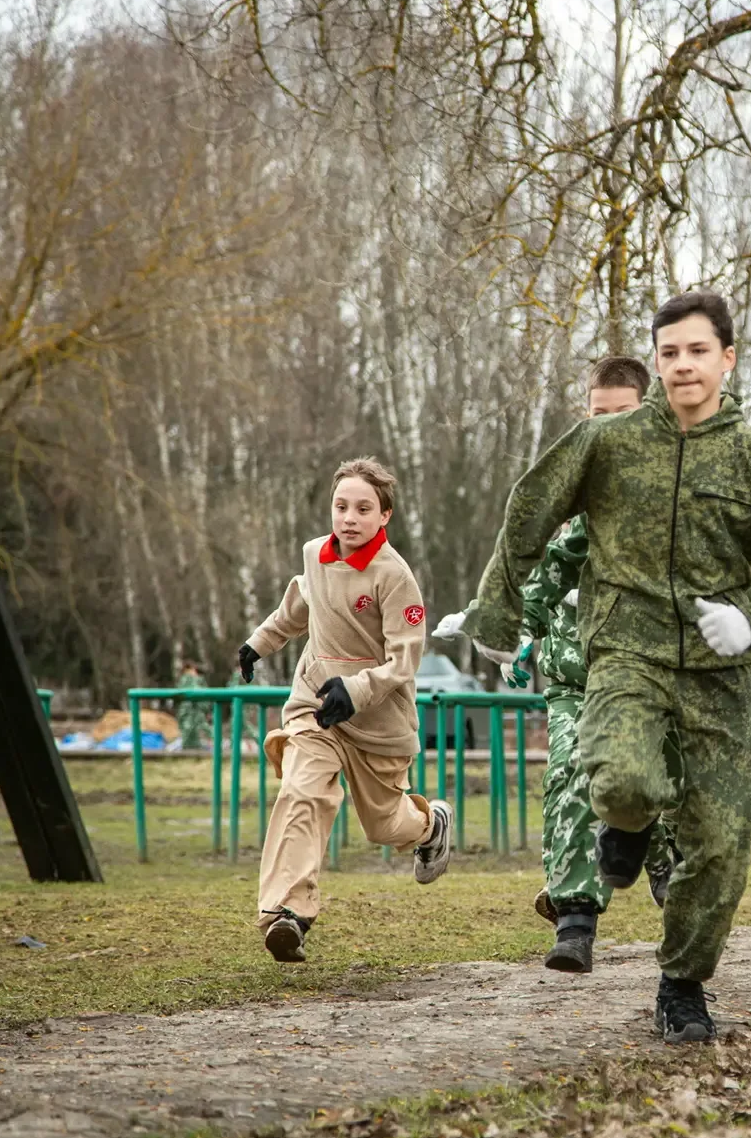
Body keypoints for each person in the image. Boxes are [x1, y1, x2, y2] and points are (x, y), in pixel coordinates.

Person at [447, 291, 751, 1043]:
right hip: (627, 649)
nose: (682, 365)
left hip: (720, 671)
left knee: (722, 844)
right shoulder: (610, 441)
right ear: (656, 361)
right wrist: (499, 615)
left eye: (697, 351)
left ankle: (682, 985)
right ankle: (627, 821)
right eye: (669, 352)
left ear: (727, 358)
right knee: (622, 778)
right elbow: (531, 505)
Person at [239, 458, 454, 963]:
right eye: (341, 506)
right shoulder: (315, 555)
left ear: (385, 515)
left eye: (363, 508)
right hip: (315, 705)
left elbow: (405, 661)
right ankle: (288, 913)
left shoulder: (395, 576)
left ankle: (431, 826)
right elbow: (297, 608)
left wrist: (356, 690)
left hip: (378, 724)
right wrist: (258, 643)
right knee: (301, 790)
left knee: (384, 827)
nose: (349, 518)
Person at [498, 354, 651, 974]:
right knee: (569, 769)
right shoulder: (566, 481)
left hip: (649, 672)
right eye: (598, 415)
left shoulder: (673, 481)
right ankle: (575, 918)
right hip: (573, 675)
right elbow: (542, 563)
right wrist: (520, 632)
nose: (608, 427)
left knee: (649, 776)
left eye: (623, 414)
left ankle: (661, 852)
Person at [174, 661, 211, 751]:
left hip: (195, 708)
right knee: (190, 727)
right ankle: (188, 746)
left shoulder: (196, 679)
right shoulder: (188, 678)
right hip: (189, 708)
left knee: (198, 726)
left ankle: (191, 745)